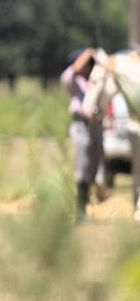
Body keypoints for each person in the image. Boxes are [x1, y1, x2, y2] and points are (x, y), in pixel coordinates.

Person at [61, 47, 105, 220]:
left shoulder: (95, 81)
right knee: (82, 168)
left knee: (93, 169)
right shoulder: (72, 79)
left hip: (96, 126)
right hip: (81, 126)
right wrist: (89, 52)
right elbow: (75, 69)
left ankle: (86, 206)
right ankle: (79, 211)